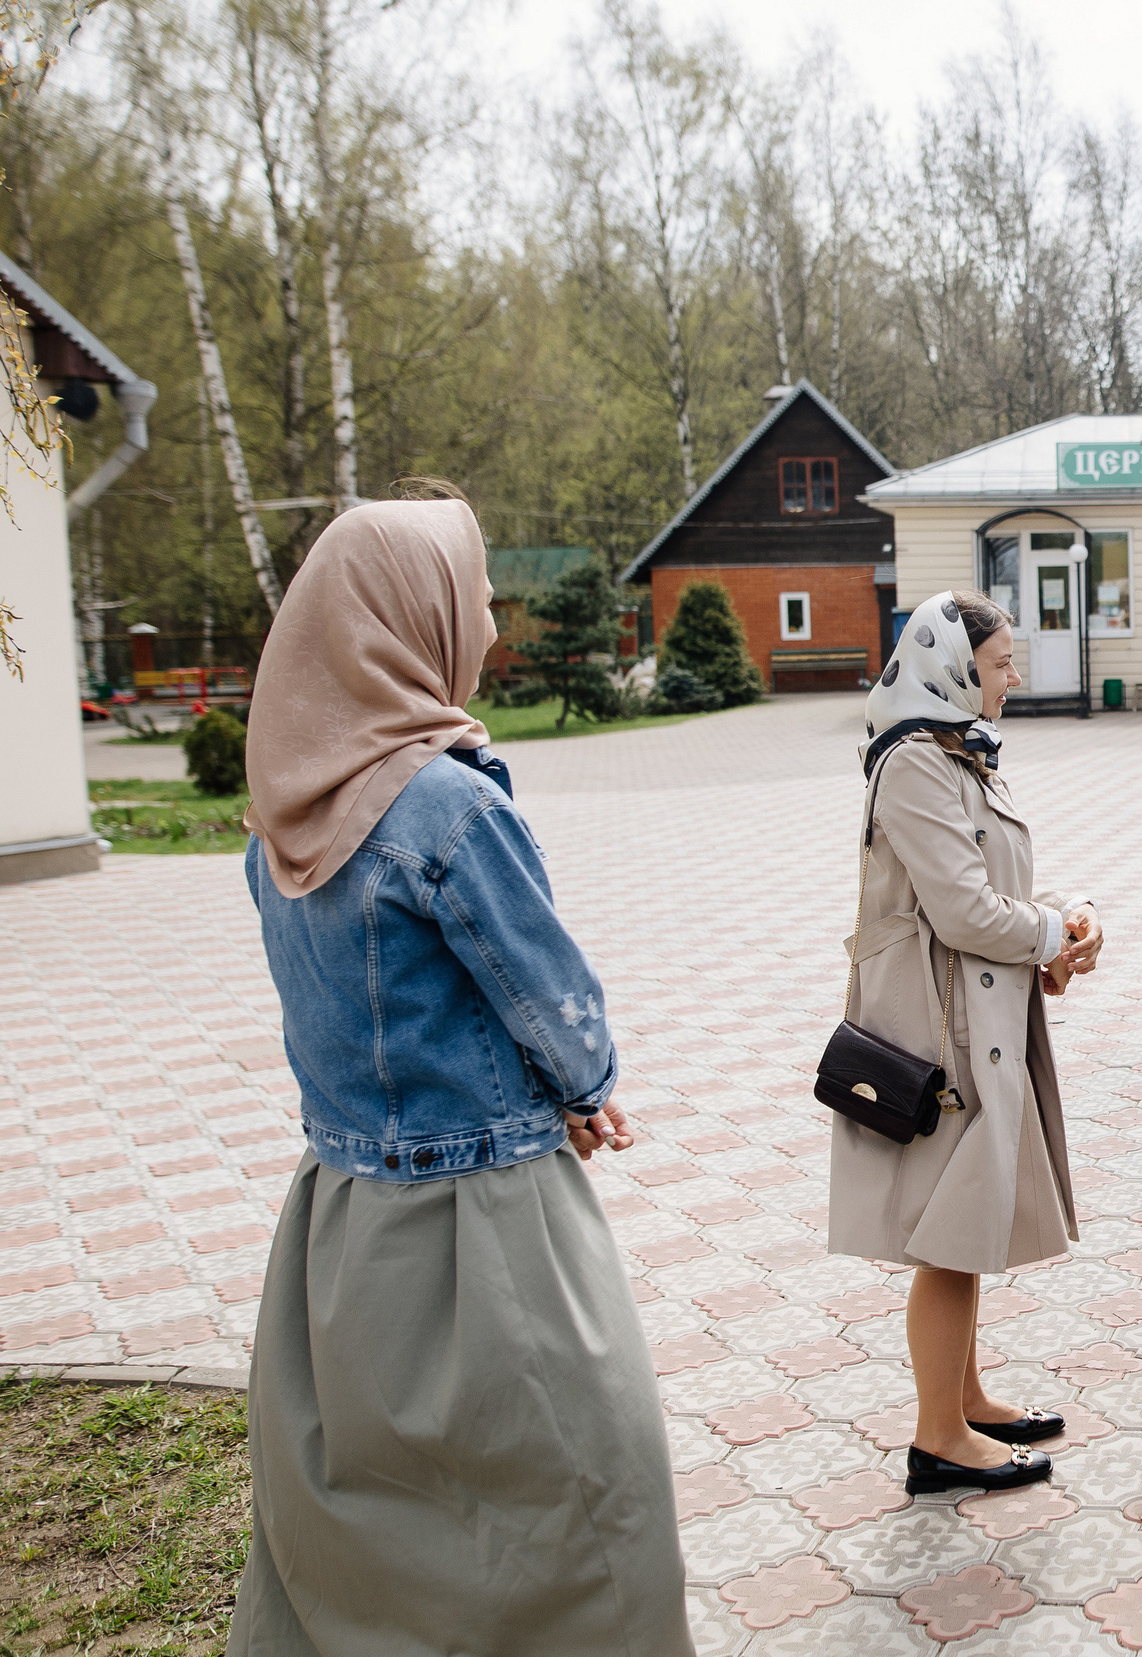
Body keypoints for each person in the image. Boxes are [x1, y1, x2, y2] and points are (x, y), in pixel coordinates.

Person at [231, 485, 687, 1657]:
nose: (488, 624)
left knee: (368, 1515)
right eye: (476, 597)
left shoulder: (281, 813)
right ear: (411, 616)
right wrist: (587, 1089)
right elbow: (549, 991)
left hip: (340, 1224)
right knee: (588, 1494)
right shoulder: (443, 806)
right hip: (487, 1224)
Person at [830, 590, 1104, 1495]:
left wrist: (1065, 919)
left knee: (970, 1219)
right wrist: (1052, 932)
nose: (1015, 676)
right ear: (953, 666)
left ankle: (967, 1396)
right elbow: (961, 908)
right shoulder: (915, 761)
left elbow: (995, 883)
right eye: (1000, 663)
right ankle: (939, 1436)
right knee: (949, 1233)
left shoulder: (960, 750)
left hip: (978, 1012)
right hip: (939, 1029)